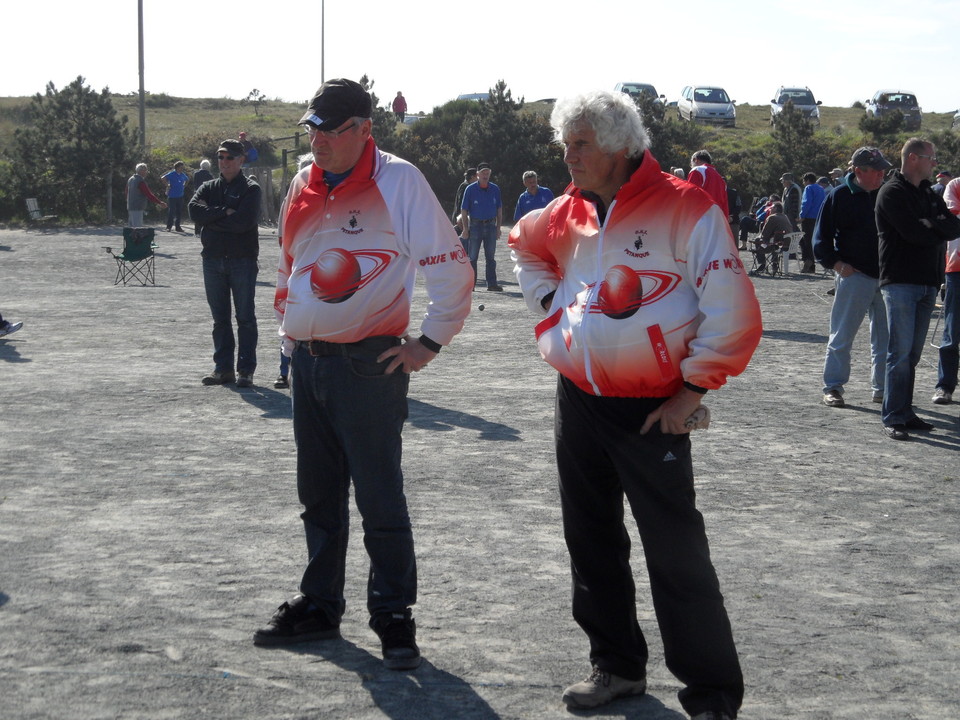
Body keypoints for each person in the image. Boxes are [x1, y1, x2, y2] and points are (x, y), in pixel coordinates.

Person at [509, 89, 761, 720]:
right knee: (590, 541)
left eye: (581, 144)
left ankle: (712, 696)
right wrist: (551, 309)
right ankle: (617, 666)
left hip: (654, 408)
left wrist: (693, 390)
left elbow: (733, 310)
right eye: (565, 144)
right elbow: (524, 246)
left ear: (621, 146)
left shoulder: (686, 207)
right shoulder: (564, 212)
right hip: (579, 401)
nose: (569, 156)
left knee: (677, 556)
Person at [256, 79, 472, 671]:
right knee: (318, 494)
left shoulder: (399, 181)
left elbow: (451, 267)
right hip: (307, 359)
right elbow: (290, 261)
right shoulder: (303, 180)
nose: (318, 139)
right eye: (312, 128)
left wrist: (429, 341)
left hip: (368, 364)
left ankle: (393, 615)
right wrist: (287, 331)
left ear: (364, 129)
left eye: (331, 129)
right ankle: (320, 604)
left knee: (379, 496)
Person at [876, 138, 960, 440]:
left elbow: (954, 227)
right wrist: (934, 226)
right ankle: (893, 415)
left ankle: (905, 411)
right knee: (899, 353)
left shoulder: (928, 192)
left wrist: (931, 223)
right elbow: (914, 234)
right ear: (913, 158)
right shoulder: (892, 192)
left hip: (927, 282)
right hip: (900, 281)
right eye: (930, 158)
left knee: (911, 355)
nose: (934, 163)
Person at [813, 147, 892, 409]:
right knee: (842, 336)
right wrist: (836, 264)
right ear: (858, 171)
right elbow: (820, 238)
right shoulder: (839, 195)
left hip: (887, 277)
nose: (882, 174)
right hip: (854, 275)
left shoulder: (887, 193)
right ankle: (833, 387)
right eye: (876, 170)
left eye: (883, 169)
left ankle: (882, 390)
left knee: (886, 339)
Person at [188, 139, 262, 387]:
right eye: (220, 157)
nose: (224, 161)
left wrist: (210, 219)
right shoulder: (208, 187)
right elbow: (194, 211)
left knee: (245, 318)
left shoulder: (251, 189)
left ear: (241, 160)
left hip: (242, 261)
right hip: (212, 260)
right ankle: (223, 369)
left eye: (229, 157)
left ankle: (245, 371)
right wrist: (224, 211)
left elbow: (243, 223)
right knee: (220, 319)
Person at [932, 175, 960, 405]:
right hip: (956, 269)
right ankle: (945, 385)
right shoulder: (955, 185)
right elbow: (951, 218)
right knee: (952, 331)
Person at [460, 162, 503, 291]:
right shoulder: (470, 189)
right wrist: (465, 229)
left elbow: (499, 209)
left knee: (490, 257)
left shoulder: (495, 189)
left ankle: (492, 284)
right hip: (475, 226)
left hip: (490, 225)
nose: (485, 175)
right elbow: (464, 210)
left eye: (487, 172)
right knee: (473, 257)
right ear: (477, 174)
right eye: (483, 172)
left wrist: (498, 228)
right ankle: (471, 285)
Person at [751, 201, 792, 275]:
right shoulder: (785, 217)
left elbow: (765, 233)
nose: (770, 209)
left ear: (775, 208)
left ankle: (762, 264)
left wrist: (761, 238)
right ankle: (774, 264)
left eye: (772, 208)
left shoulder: (772, 217)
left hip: (776, 244)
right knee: (774, 240)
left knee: (758, 240)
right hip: (787, 243)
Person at [799, 172, 826, 273]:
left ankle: (809, 261)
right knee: (813, 240)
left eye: (804, 181)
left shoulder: (809, 188)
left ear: (807, 180)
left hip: (809, 217)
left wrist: (802, 215)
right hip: (818, 217)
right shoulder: (821, 189)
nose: (803, 183)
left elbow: (806, 202)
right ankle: (811, 266)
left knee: (807, 241)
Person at [686, 150, 728, 215]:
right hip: (716, 218)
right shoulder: (721, 179)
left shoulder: (697, 170)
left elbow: (690, 195)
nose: (691, 166)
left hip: (700, 216)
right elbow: (725, 206)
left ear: (695, 160)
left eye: (691, 163)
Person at [126, 163, 167, 227]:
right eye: (146, 170)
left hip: (131, 206)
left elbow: (126, 192)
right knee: (137, 227)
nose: (147, 172)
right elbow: (148, 194)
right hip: (137, 207)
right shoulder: (140, 181)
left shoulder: (130, 179)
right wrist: (160, 202)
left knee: (131, 227)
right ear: (141, 171)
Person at [161, 161, 190, 232]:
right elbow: (163, 178)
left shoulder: (182, 174)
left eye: (182, 167)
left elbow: (187, 180)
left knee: (179, 212)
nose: (182, 169)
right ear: (177, 167)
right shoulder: (172, 174)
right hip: (172, 196)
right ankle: (169, 227)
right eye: (181, 167)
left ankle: (178, 227)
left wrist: (184, 185)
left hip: (180, 195)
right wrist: (167, 185)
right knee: (171, 211)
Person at [451, 167, 477, 232]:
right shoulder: (465, 186)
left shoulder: (468, 186)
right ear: (472, 177)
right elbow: (461, 204)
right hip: (460, 220)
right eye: (477, 176)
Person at [192, 160, 214, 237]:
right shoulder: (209, 175)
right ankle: (204, 230)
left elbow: (195, 185)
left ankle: (197, 232)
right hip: (206, 196)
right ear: (208, 166)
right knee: (205, 213)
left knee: (197, 212)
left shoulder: (196, 174)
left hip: (197, 194)